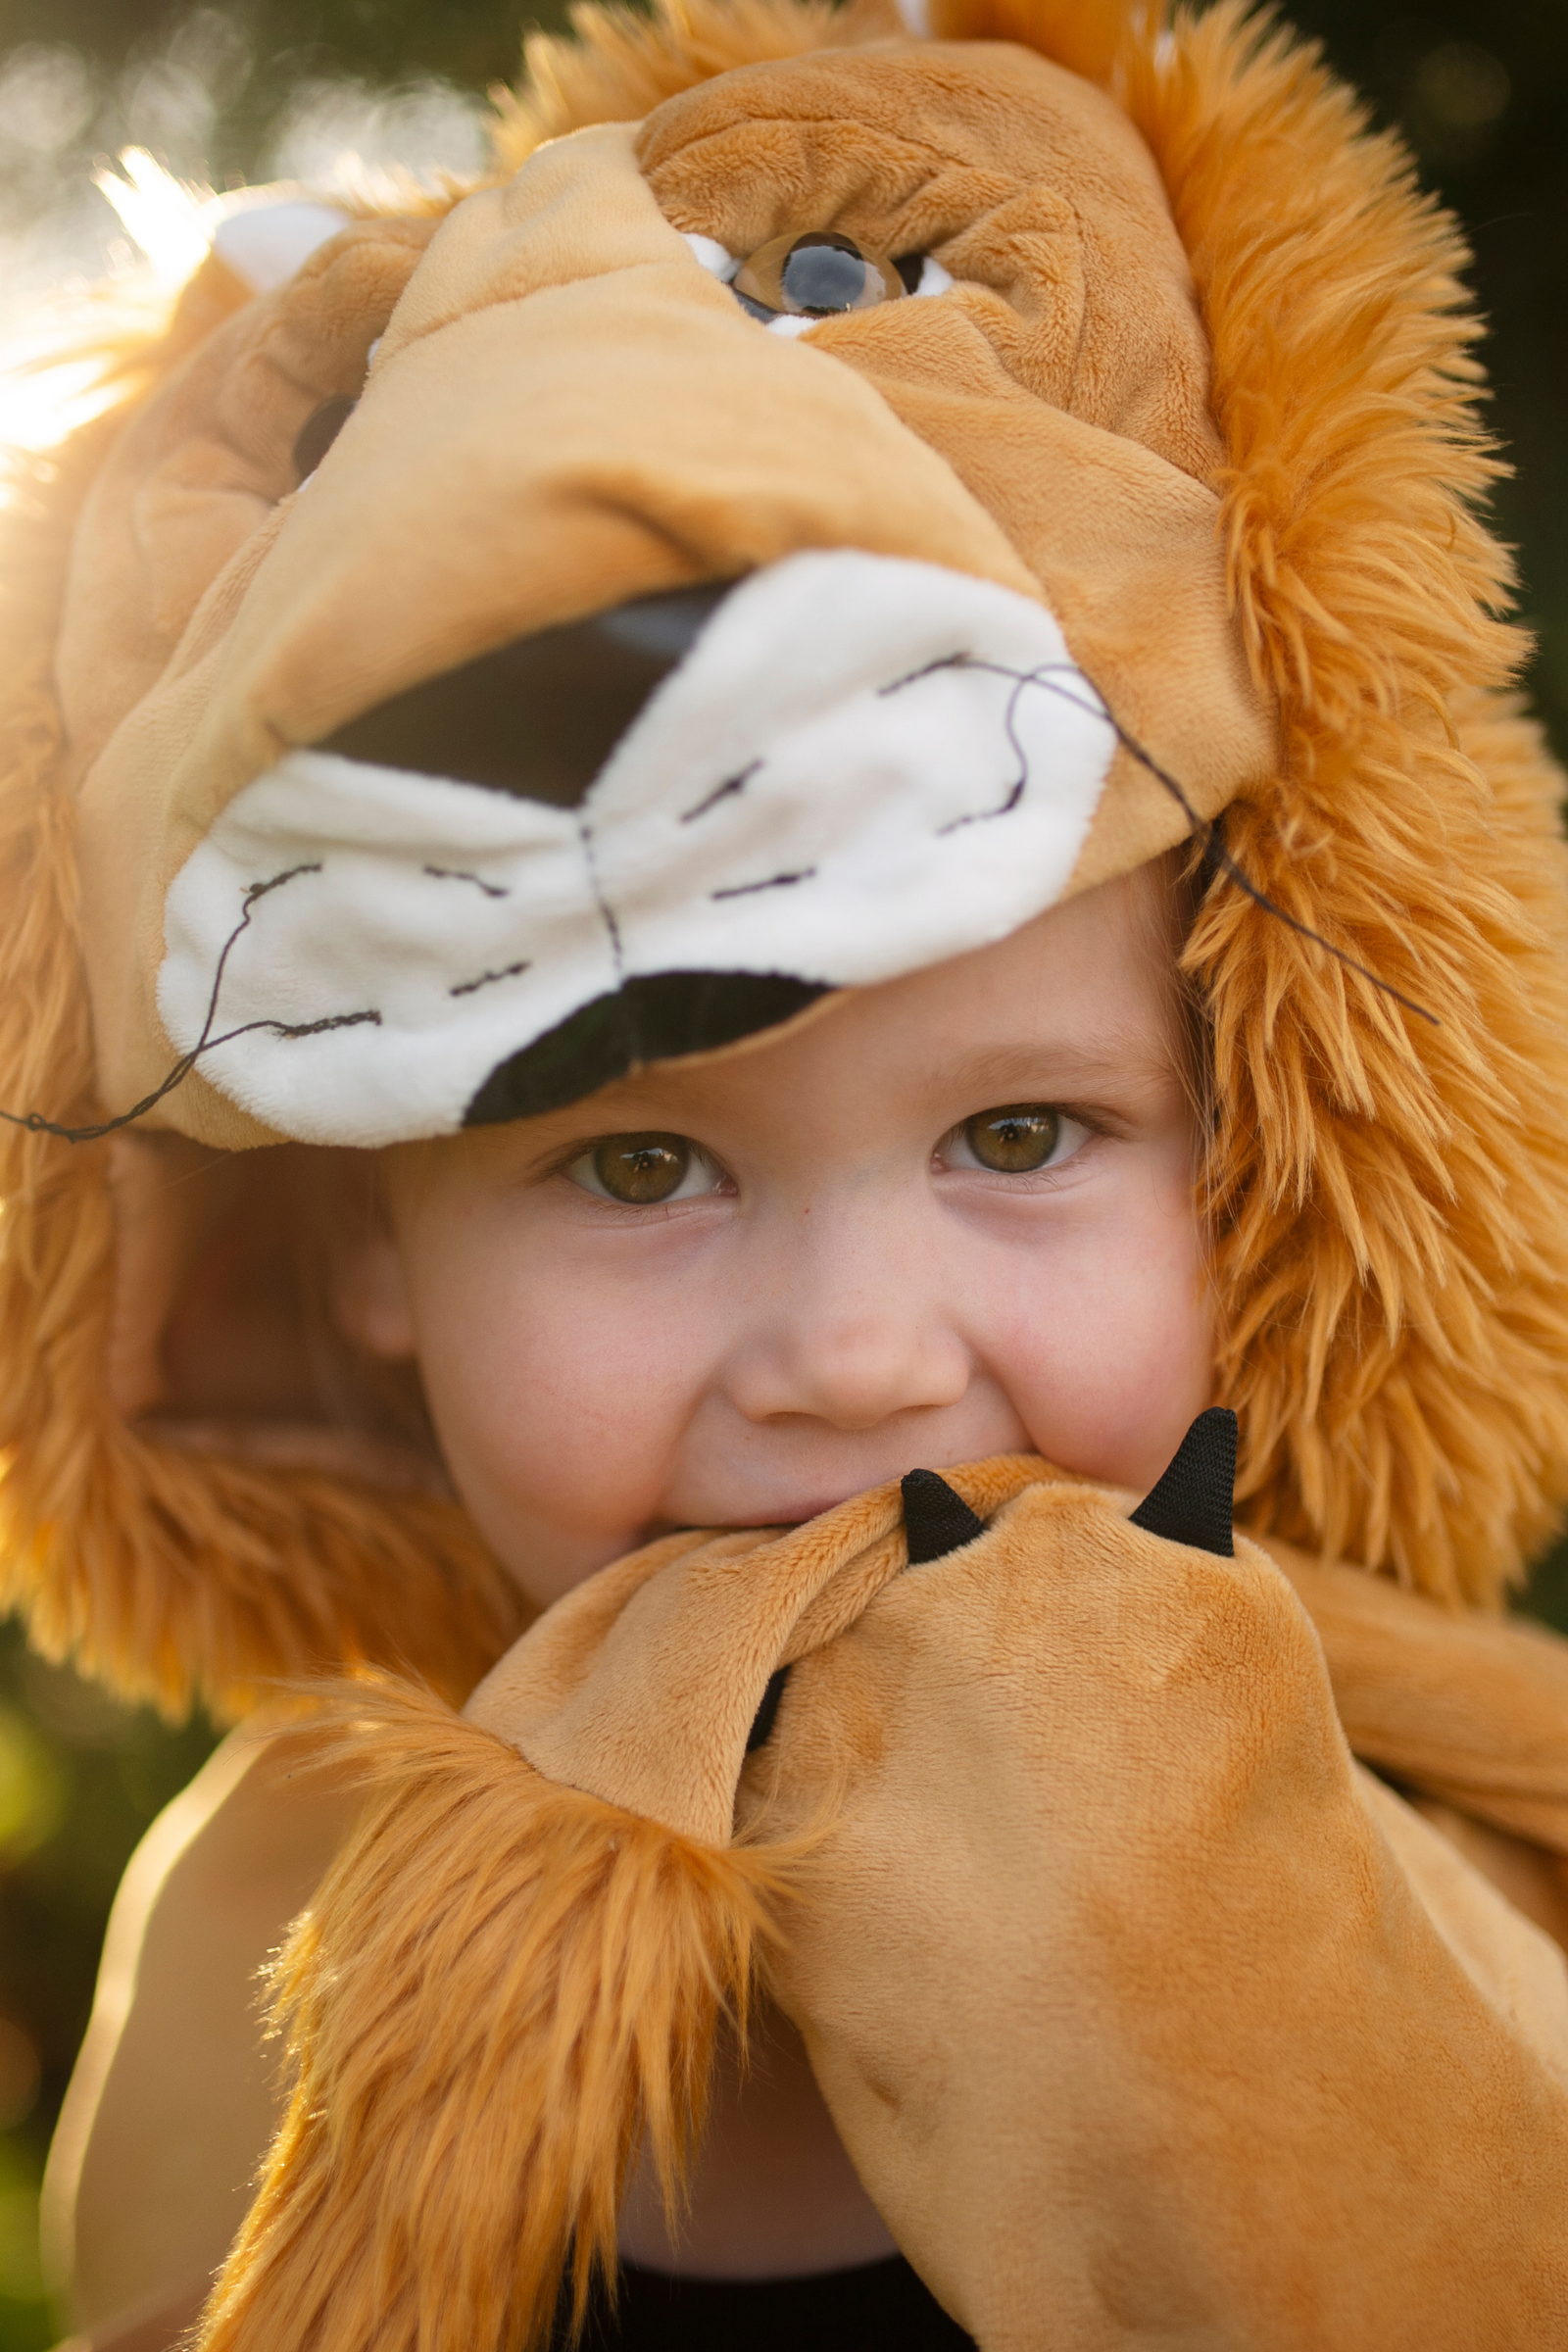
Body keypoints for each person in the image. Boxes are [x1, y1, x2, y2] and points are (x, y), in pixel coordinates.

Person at [8, 0, 1568, 2343]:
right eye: (637, 1165)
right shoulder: (279, 1933)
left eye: (1018, 1136)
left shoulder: (1439, 1859)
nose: (855, 1359)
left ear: (1244, 1163)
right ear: (372, 1260)